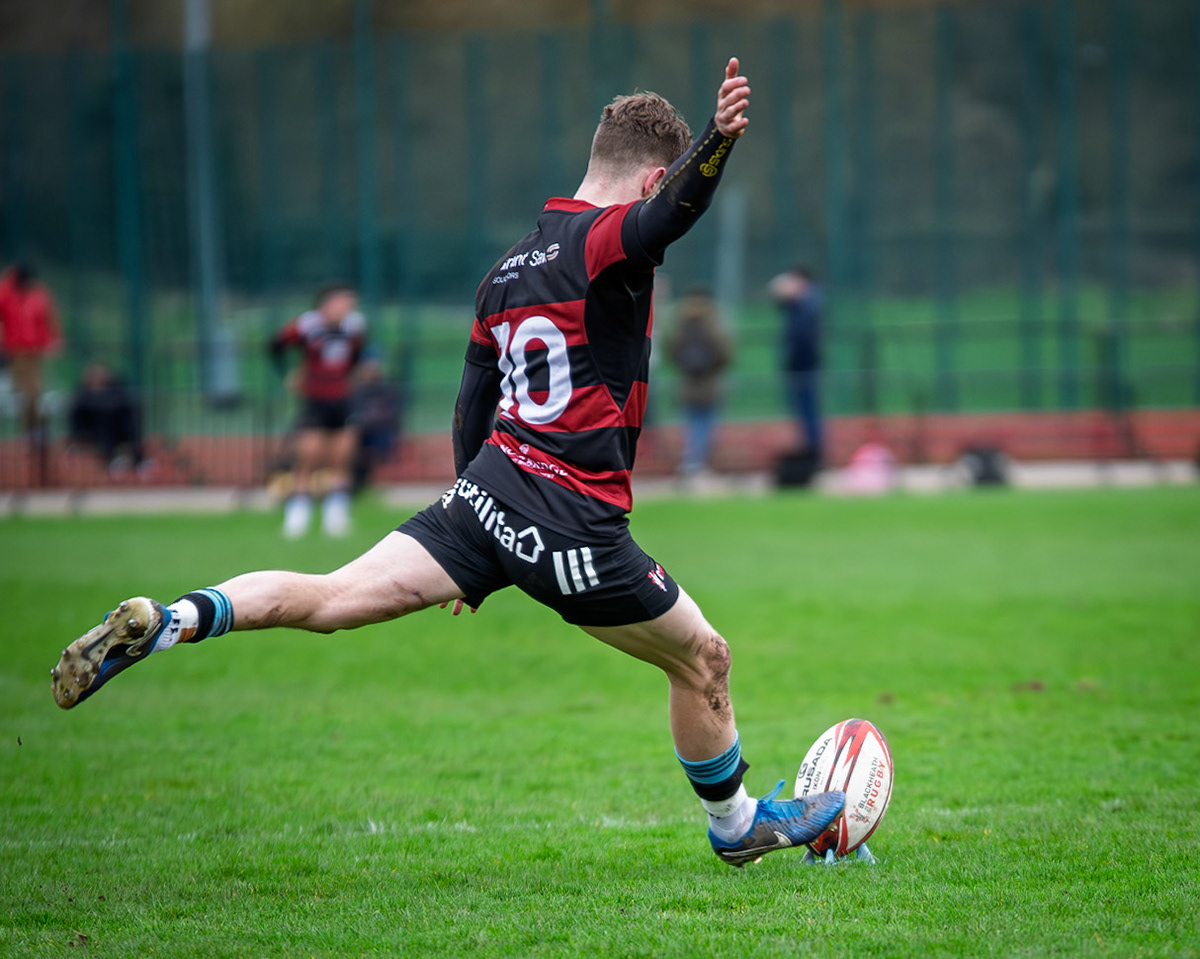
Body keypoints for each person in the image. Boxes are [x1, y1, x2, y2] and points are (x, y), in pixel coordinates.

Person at [50, 59, 845, 868]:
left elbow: (471, 407)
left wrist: (476, 535)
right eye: (656, 185)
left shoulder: (504, 270)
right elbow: (669, 216)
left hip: (486, 496)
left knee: (329, 596)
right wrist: (717, 141)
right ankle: (736, 825)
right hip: (572, 519)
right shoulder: (607, 240)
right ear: (647, 176)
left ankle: (173, 619)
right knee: (703, 657)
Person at [270, 285, 365, 538]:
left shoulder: (354, 327)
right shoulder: (307, 326)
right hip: (314, 400)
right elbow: (275, 345)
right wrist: (290, 374)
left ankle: (336, 515)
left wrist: (350, 376)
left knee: (342, 456)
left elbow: (357, 356)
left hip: (342, 400)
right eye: (341, 302)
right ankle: (298, 514)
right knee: (308, 455)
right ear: (325, 305)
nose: (346, 308)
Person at [665, 289, 732, 479]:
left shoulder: (682, 323)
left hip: (687, 382)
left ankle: (689, 461)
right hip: (710, 382)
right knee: (706, 423)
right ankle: (698, 463)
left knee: (690, 424)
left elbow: (672, 349)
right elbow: (725, 351)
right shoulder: (713, 322)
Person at [0, 263, 62, 439]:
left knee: (34, 392)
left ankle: (33, 429)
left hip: (35, 351)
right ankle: (34, 429)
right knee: (32, 392)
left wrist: (54, 340)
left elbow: (49, 318)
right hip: (15, 352)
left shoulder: (38, 294)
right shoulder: (5, 292)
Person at [769, 265, 823, 462]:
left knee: (809, 411)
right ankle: (810, 450)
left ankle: (814, 453)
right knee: (803, 411)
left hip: (805, 365)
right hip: (799, 365)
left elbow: (804, 336)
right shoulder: (799, 303)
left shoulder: (808, 303)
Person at [68, 362, 144, 472]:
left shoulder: (116, 389)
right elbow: (78, 417)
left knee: (129, 428)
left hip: (118, 428)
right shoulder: (83, 394)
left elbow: (124, 408)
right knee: (104, 430)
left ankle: (137, 461)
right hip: (93, 430)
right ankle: (109, 461)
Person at [350, 356, 402, 489]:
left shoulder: (386, 390)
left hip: (381, 430)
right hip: (363, 431)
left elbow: (393, 413)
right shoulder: (357, 391)